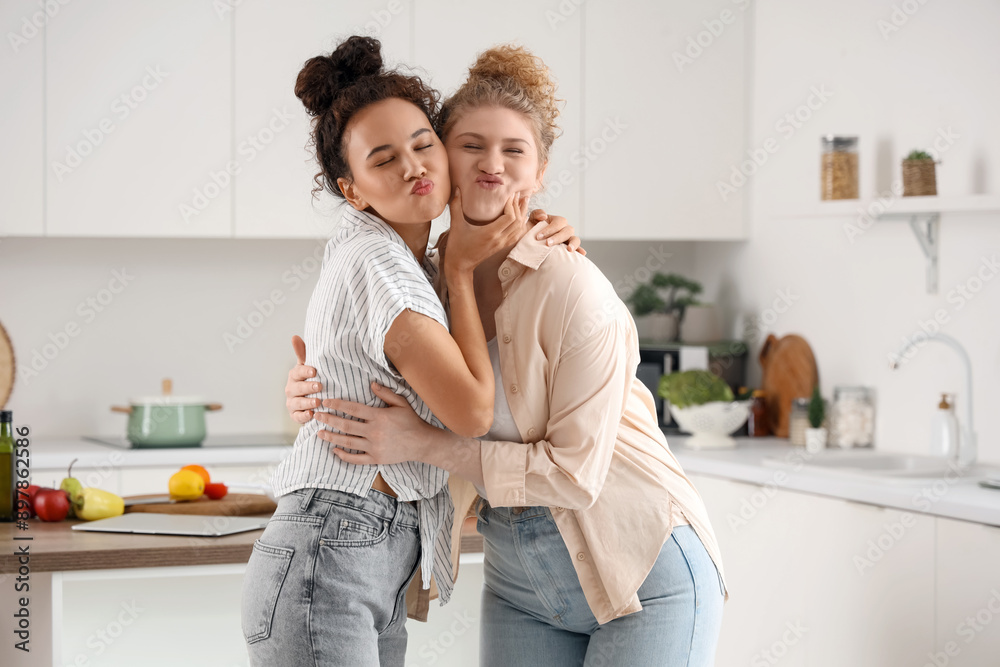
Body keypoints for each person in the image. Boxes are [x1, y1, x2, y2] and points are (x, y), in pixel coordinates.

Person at [286, 45, 729, 666]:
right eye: (470, 145)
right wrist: (312, 388)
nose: (491, 165)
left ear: (539, 170)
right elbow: (376, 365)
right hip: (520, 579)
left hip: (641, 568)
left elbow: (574, 475)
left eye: (514, 150)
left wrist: (421, 444)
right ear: (443, 157)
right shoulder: (429, 282)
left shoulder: (571, 284)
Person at [242, 36, 580, 667]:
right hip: (334, 549)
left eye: (424, 143)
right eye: (385, 159)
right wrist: (457, 270)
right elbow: (472, 415)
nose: (415, 166)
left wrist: (538, 226)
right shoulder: (387, 263)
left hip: (361, 550)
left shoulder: (405, 257)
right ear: (353, 190)